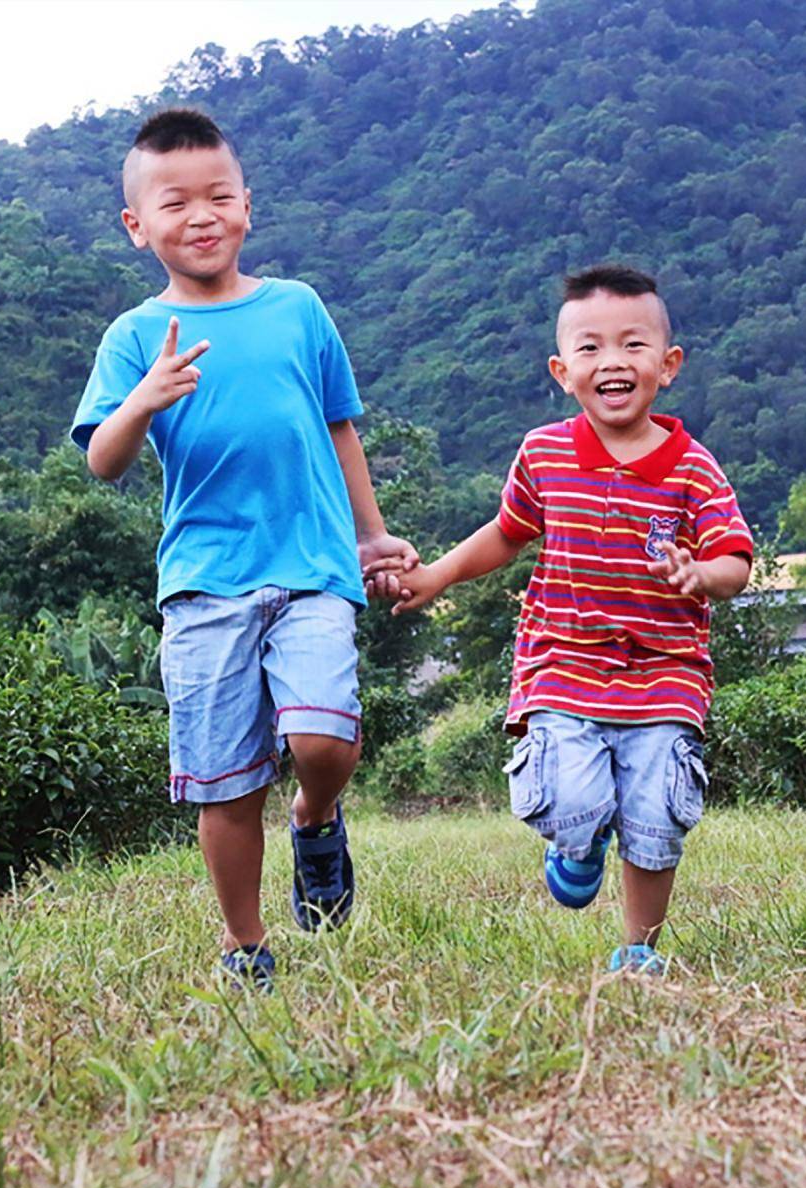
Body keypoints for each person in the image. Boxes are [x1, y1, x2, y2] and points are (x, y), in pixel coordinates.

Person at [70, 108, 416, 991]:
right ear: (136, 225)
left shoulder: (297, 308)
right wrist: (143, 400)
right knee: (223, 785)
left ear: (248, 207)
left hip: (313, 567)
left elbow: (340, 428)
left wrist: (371, 535)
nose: (201, 216)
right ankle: (246, 944)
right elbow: (103, 461)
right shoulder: (135, 337)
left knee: (322, 739)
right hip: (204, 582)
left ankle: (316, 816)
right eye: (175, 202)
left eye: (218, 196)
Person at [393, 265, 753, 975]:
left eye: (633, 345)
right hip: (565, 663)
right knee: (568, 799)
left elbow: (736, 563)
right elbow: (506, 531)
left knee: (655, 820)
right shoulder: (545, 454)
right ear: (563, 371)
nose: (613, 362)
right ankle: (577, 842)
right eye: (590, 348)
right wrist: (435, 574)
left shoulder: (694, 469)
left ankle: (637, 949)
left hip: (665, 674)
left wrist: (699, 574)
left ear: (668, 365)